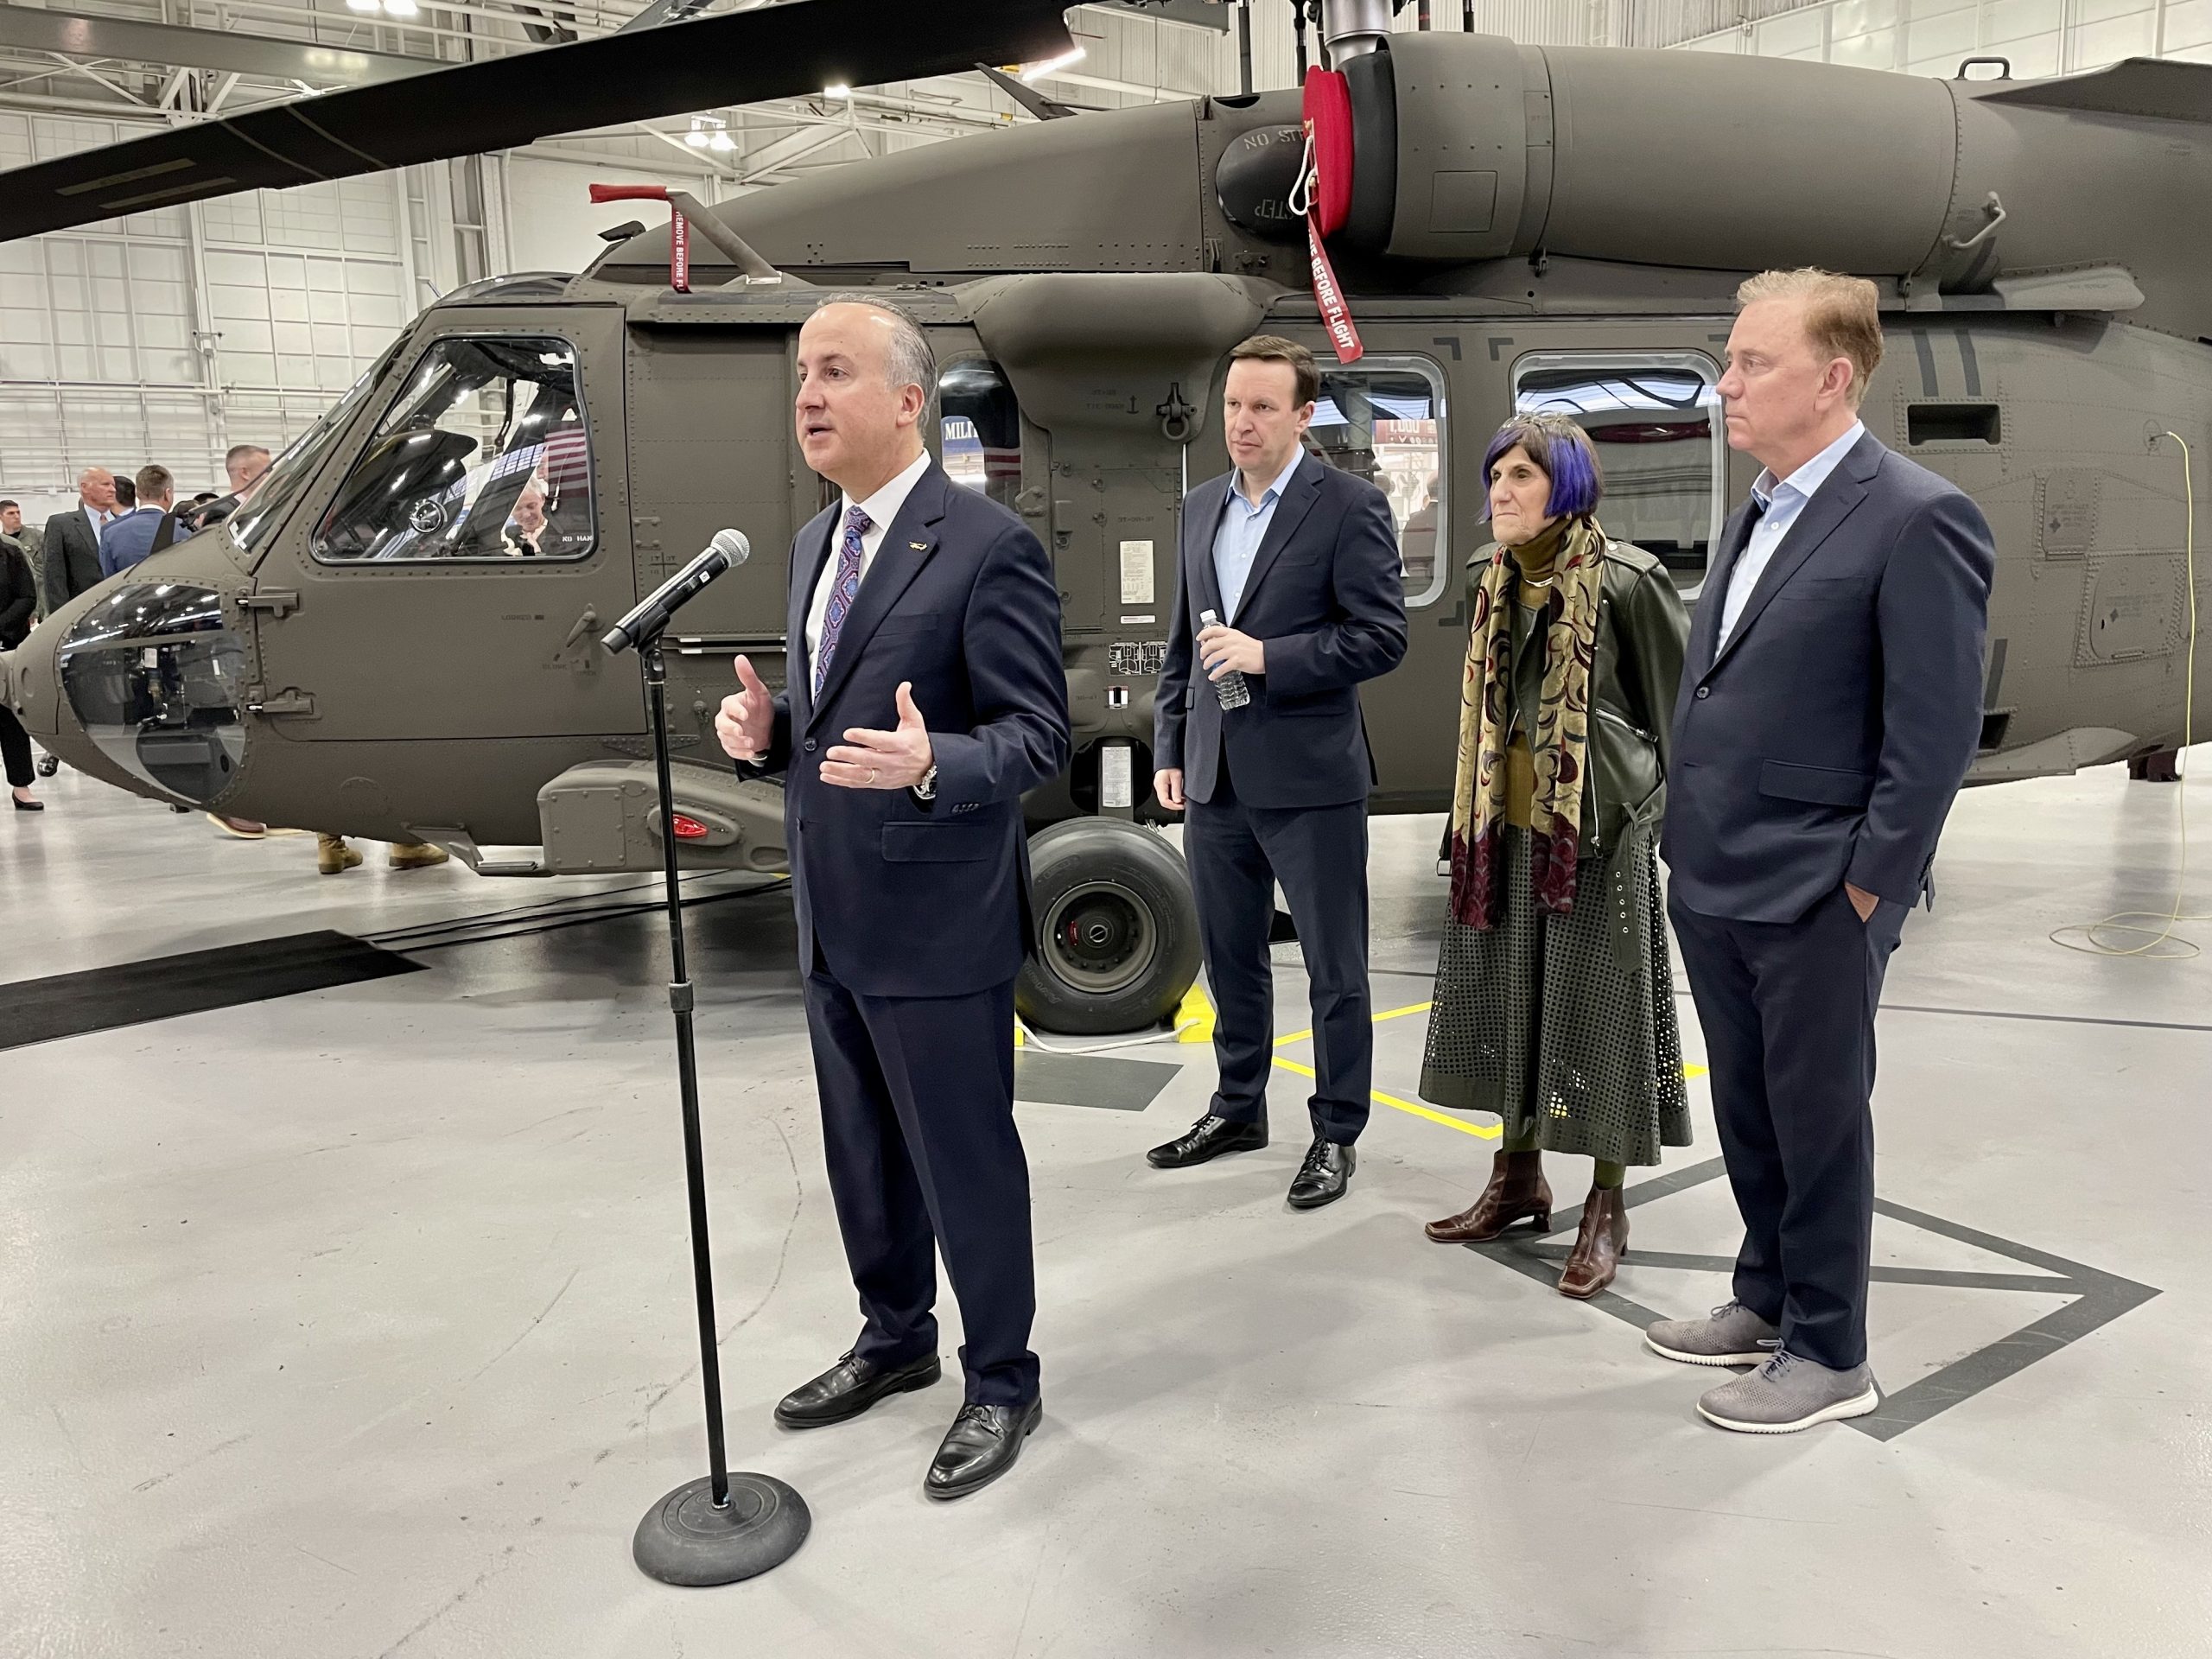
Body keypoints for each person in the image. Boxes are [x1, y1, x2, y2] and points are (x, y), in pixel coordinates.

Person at [714, 297, 1069, 1501]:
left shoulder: (984, 546)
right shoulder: (816, 546)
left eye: (835, 373)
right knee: (861, 1149)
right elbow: (827, 732)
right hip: (831, 910)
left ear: (909, 400)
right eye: (800, 375)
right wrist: (767, 740)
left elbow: (1036, 739)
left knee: (963, 1158)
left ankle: (1003, 1379)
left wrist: (937, 764)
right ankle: (895, 1335)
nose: (806, 395)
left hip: (936, 919)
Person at [1645, 269, 1995, 1433]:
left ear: (1834, 378)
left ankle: (1832, 1349)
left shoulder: (1915, 515)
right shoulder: (1763, 501)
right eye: (1731, 358)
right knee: (1750, 1106)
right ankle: (1766, 1294)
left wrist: (1866, 887)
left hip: (1815, 887)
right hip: (1717, 870)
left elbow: (1932, 731)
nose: (1727, 381)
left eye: (1754, 362)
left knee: (1818, 1117)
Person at [1416, 415, 1690, 1297]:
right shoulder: (1486, 578)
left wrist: (1645, 812)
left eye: (1523, 476)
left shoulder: (1628, 583)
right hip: (1503, 832)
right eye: (1496, 474)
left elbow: (1674, 718)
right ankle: (1517, 1176)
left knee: (1599, 1025)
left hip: (1596, 838)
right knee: (1512, 1010)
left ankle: (1606, 1205)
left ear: (1565, 487)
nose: (1500, 490)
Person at [1146, 336, 1408, 1209]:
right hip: (1216, 775)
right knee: (1229, 958)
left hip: (1310, 779)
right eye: (1231, 405)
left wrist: (1269, 655)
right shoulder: (1197, 508)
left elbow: (1380, 637)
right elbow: (1184, 646)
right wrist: (1171, 748)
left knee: (1336, 968)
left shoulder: (1348, 507)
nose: (1242, 423)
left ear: (1303, 415)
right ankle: (1237, 1106)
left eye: (1262, 407)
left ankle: (1336, 1130)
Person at [1, 524, 41, 810]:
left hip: (8, 646)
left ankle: (21, 786)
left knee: (12, 722)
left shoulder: (10, 553)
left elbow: (27, 596)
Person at [41, 467, 118, 613]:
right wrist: (61, 617)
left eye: (113, 485)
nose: (113, 489)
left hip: (122, 613)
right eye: (105, 484)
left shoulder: (124, 525)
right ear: (85, 487)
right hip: (81, 613)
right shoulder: (62, 525)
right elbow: (55, 577)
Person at [99, 466, 177, 577]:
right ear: (168, 494)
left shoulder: (110, 531)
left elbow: (109, 580)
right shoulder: (186, 528)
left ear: (137, 492)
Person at [0, 500, 44, 613]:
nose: (16, 516)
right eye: (11, 513)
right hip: (19, 601)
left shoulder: (37, 537)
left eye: (18, 512)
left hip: (43, 595)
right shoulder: (4, 546)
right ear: (1, 516)